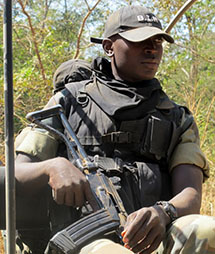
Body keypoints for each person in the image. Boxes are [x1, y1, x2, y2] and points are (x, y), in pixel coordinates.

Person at [15, 5, 215, 254]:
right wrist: (52, 167)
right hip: (82, 242)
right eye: (140, 40)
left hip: (151, 237)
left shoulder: (175, 116)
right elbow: (18, 172)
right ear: (109, 46)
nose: (152, 49)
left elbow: (191, 194)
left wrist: (163, 212)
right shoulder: (68, 101)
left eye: (158, 41)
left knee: (208, 230)